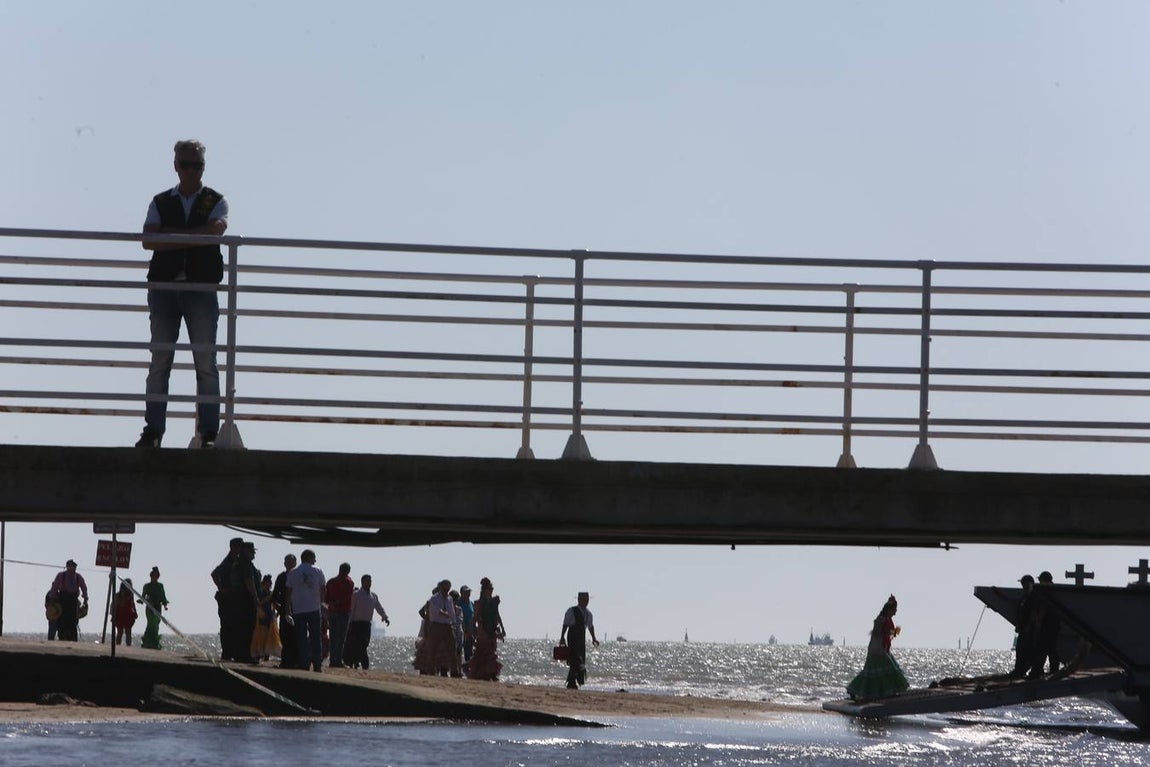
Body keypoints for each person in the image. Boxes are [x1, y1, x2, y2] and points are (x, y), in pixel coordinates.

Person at [136, 139, 229, 449]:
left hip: (201, 288)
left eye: (197, 165)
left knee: (206, 360)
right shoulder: (160, 201)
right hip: (164, 288)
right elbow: (148, 240)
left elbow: (216, 231)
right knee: (160, 359)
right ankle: (153, 430)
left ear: (203, 167)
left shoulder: (215, 200)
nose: (191, 171)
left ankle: (208, 432)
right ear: (176, 165)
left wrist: (171, 237)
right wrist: (194, 237)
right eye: (186, 164)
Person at [846, 595, 909, 702]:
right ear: (889, 609)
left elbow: (889, 636)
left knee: (875, 671)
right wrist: (889, 632)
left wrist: (894, 633)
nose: (896, 612)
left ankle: (882, 692)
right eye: (895, 610)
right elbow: (877, 633)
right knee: (886, 669)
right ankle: (856, 690)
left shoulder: (888, 620)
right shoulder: (881, 619)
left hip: (882, 647)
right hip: (877, 648)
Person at [285, 549, 326, 672]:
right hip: (314, 608)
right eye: (314, 558)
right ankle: (317, 664)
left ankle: (304, 663)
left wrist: (287, 609)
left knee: (301, 638)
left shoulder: (292, 573)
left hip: (298, 609)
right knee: (316, 638)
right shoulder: (318, 571)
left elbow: (288, 592)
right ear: (309, 558)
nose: (315, 561)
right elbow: (323, 589)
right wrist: (321, 603)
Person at [345, 574, 390, 670]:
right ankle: (360, 663)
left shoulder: (373, 596)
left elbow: (379, 607)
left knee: (364, 644)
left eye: (370, 581)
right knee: (357, 644)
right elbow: (351, 610)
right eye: (367, 581)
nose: (369, 583)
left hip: (367, 624)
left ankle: (358, 661)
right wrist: (349, 623)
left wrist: (385, 617)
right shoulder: (356, 594)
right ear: (362, 582)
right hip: (356, 624)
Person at [558, 591, 600, 689]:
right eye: (584, 600)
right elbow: (566, 624)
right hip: (572, 636)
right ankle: (571, 682)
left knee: (580, 660)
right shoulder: (571, 611)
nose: (586, 601)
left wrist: (594, 638)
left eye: (587, 600)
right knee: (574, 660)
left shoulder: (588, 613)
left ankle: (573, 681)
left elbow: (590, 626)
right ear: (579, 600)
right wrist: (562, 637)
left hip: (581, 637)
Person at [211, 537, 243, 661]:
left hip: (230, 597)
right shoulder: (230, 561)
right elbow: (214, 574)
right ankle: (228, 652)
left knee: (231, 626)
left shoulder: (234, 560)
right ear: (234, 547)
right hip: (227, 598)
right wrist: (222, 588)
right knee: (228, 626)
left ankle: (230, 651)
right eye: (239, 546)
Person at [229, 542, 261, 663]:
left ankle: (240, 654)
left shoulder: (237, 564)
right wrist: (255, 598)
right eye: (252, 551)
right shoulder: (246, 565)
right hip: (246, 601)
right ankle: (246, 655)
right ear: (246, 551)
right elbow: (249, 582)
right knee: (248, 629)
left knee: (240, 628)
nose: (254, 554)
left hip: (237, 601)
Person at [468, 577, 505, 681]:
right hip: (483, 630)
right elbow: (474, 619)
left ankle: (491, 673)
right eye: (489, 589)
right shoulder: (480, 603)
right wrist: (472, 631)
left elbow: (497, 616)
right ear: (484, 591)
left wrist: (501, 629)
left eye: (491, 589)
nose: (491, 591)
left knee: (490, 652)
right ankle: (486, 674)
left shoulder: (494, 602)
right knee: (483, 652)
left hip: (492, 629)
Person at [1030, 570, 1062, 677]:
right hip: (1054, 624)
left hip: (1047, 624)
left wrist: (1038, 621)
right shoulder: (1055, 590)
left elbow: (1043, 607)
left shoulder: (1046, 591)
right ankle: (1054, 670)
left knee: (1042, 648)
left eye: (1040, 580)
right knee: (1052, 648)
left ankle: (1038, 671)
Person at [425, 580, 458, 677]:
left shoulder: (449, 599)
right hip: (436, 625)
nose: (446, 591)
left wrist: (453, 621)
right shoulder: (434, 598)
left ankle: (454, 671)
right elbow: (435, 610)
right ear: (441, 588)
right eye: (445, 588)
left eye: (448, 589)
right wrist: (444, 614)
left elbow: (452, 612)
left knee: (452, 649)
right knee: (433, 649)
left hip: (447, 626)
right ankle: (431, 670)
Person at [49, 559, 88, 641]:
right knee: (61, 622)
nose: (72, 569)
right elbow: (54, 587)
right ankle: (62, 638)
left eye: (74, 567)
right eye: (71, 567)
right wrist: (53, 599)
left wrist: (85, 599)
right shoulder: (61, 576)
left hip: (73, 601)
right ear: (67, 567)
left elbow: (84, 587)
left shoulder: (78, 577)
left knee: (73, 622)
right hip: (62, 600)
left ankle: (73, 639)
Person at [325, 563, 355, 668]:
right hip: (342, 612)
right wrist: (338, 602)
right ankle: (337, 660)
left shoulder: (330, 582)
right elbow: (347, 597)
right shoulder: (349, 582)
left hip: (332, 612)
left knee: (333, 637)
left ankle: (333, 660)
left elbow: (325, 597)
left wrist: (332, 603)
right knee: (340, 638)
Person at [272, 554, 299, 669]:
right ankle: (286, 661)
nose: (289, 564)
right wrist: (278, 607)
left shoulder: (299, 576)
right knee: (285, 636)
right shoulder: (281, 577)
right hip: (285, 611)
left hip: (297, 610)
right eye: (287, 562)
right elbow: (275, 595)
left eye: (291, 562)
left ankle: (296, 661)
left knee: (296, 636)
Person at [1008, 574, 1036, 677]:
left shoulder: (1033, 598)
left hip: (1030, 630)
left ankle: (1027, 670)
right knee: (1020, 650)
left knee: (1029, 651)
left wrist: (1028, 625)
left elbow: (1033, 613)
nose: (1023, 587)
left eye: (1025, 584)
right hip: (1023, 628)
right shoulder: (1024, 598)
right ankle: (1019, 670)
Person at [250, 574, 281, 662]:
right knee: (261, 635)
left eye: (269, 583)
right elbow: (259, 603)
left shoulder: (271, 593)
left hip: (270, 616)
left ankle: (267, 655)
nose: (268, 585)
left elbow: (275, 603)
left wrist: (276, 614)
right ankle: (259, 654)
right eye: (267, 583)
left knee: (270, 635)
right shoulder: (261, 593)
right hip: (262, 614)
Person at [139, 566, 169, 650]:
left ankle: (154, 642)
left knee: (156, 624)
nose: (155, 578)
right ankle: (147, 641)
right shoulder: (147, 586)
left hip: (158, 607)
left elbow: (163, 597)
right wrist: (142, 601)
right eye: (153, 576)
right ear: (151, 576)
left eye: (156, 576)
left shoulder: (160, 586)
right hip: (150, 607)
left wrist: (165, 605)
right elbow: (143, 596)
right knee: (150, 623)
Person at [112, 579, 138, 646]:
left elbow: (133, 604)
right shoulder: (117, 595)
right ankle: (117, 646)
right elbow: (115, 605)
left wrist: (135, 612)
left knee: (128, 632)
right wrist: (113, 615)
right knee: (120, 632)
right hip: (119, 615)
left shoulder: (130, 595)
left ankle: (128, 647)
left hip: (128, 615)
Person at [458, 585, 475, 672]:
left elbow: (474, 616)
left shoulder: (471, 603)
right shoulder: (459, 603)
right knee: (460, 651)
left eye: (469, 592)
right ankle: (460, 669)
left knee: (470, 652)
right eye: (465, 592)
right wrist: (465, 630)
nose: (468, 594)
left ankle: (469, 671)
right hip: (462, 630)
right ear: (461, 593)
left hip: (471, 631)